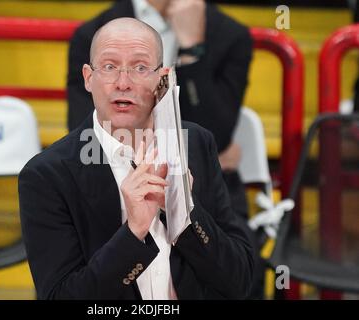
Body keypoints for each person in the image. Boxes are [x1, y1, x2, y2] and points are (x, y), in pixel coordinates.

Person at [19, 17, 255, 300]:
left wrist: (186, 214)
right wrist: (133, 233)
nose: (123, 83)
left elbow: (239, 280)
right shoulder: (45, 176)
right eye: (109, 67)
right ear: (88, 78)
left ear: (162, 78)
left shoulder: (195, 144)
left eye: (140, 68)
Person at [67, 0, 252, 222]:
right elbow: (89, 140)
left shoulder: (232, 36)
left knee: (236, 251)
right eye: (111, 67)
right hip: (109, 190)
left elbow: (216, 137)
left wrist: (192, 51)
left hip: (204, 196)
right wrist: (194, 155)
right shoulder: (90, 35)